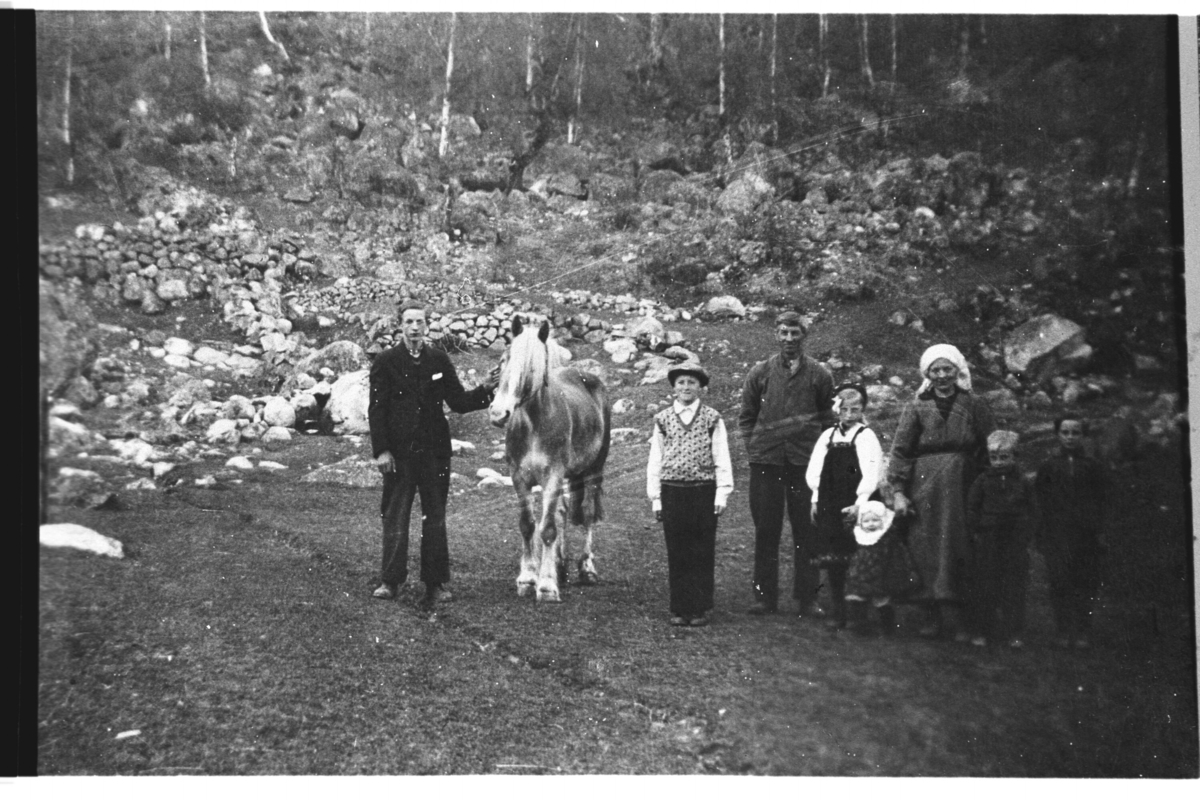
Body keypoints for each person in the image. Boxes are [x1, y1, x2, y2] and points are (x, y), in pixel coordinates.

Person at [368, 299, 498, 607]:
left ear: (427, 325)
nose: (415, 328)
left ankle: (436, 584)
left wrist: (485, 388)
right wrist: (382, 451)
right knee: (396, 516)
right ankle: (390, 581)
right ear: (401, 325)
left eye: (420, 322)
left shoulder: (439, 360)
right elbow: (376, 409)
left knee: (435, 518)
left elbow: (459, 402)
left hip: (434, 453)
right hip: (399, 455)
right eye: (409, 322)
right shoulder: (385, 361)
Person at [888, 343, 995, 639]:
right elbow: (900, 450)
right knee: (925, 546)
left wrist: (988, 488)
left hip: (963, 485)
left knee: (958, 546)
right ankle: (930, 616)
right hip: (924, 488)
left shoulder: (974, 404)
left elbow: (991, 447)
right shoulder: (916, 406)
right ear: (927, 373)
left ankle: (960, 618)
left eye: (947, 369)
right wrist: (898, 491)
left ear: (957, 370)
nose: (942, 375)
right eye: (935, 370)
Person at [739, 310, 835, 616]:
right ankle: (764, 597)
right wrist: (755, 448)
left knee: (806, 529)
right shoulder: (760, 372)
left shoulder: (820, 374)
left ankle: (808, 597)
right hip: (766, 462)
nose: (789, 339)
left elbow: (828, 419)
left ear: (804, 336)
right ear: (776, 335)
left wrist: (821, 457)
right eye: (784, 333)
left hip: (805, 463)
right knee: (766, 528)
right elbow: (746, 417)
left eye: (795, 333)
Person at [647, 362, 734, 627]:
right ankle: (680, 607)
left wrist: (722, 494)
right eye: (681, 382)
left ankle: (699, 607)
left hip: (702, 492)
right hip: (672, 491)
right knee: (677, 549)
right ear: (674, 387)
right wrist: (656, 497)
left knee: (701, 548)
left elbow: (722, 457)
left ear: (701, 388)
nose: (686, 387)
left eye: (692, 382)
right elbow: (655, 459)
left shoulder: (712, 418)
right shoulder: (662, 419)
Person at [805, 382, 883, 629]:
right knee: (835, 558)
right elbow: (815, 469)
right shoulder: (827, 436)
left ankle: (859, 613)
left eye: (855, 409)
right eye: (845, 410)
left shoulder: (865, 436)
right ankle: (838, 609)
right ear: (837, 410)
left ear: (862, 410)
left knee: (859, 558)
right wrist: (815, 498)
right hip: (830, 502)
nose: (849, 415)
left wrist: (861, 502)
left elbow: (872, 471)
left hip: (856, 502)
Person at [1034, 414, 1110, 649]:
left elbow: (1104, 500)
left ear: (1083, 435)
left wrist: (1101, 530)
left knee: (1086, 582)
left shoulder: (1093, 466)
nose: (1069, 437)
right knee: (1059, 580)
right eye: (1065, 433)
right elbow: (1040, 500)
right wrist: (1041, 532)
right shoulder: (1049, 466)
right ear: (1057, 435)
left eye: (1075, 433)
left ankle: (1083, 630)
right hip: (1057, 534)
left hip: (1086, 535)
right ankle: (1063, 630)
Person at [965, 430, 1034, 649]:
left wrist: (1027, 534)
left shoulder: (1023, 481)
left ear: (1014, 456)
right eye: (994, 458)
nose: (999, 462)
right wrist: (976, 531)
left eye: (1004, 457)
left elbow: (1033, 509)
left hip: (1014, 537)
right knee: (986, 583)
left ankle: (1014, 632)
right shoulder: (983, 481)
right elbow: (972, 509)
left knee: (1014, 585)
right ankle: (983, 630)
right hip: (989, 538)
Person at [844, 501, 923, 635]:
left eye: (875, 520)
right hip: (860, 572)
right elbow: (848, 527)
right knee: (856, 596)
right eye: (866, 521)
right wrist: (852, 516)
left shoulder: (886, 536)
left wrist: (901, 516)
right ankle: (858, 624)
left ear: (883, 521)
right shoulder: (860, 534)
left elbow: (896, 527)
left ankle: (887, 626)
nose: (871, 524)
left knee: (881, 599)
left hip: (880, 572)